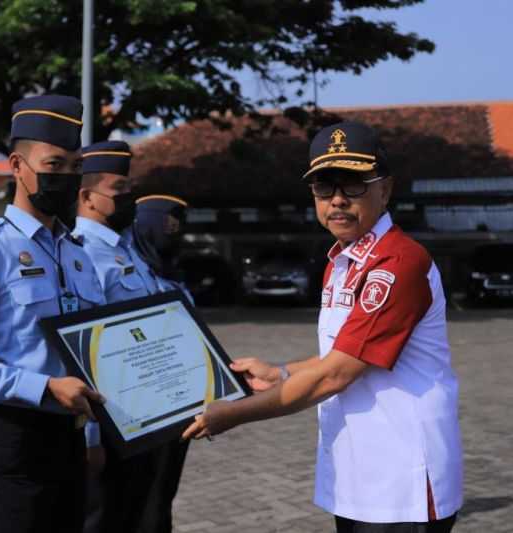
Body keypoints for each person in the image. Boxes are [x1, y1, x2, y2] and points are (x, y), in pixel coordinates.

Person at [183, 121, 463, 533]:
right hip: (359, 471)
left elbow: (336, 374)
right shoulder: (343, 260)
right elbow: (341, 355)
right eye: (323, 188)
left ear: (384, 190)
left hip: (399, 478)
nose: (337, 201)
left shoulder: (397, 262)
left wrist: (233, 414)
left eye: (353, 185)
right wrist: (280, 372)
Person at [0, 95, 105, 533]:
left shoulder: (78, 255)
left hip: (72, 438)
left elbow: (95, 352)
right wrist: (43, 387)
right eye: (54, 165)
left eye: (75, 167)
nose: (67, 177)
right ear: (17, 165)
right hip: (13, 438)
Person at [73, 141, 161, 533]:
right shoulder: (82, 253)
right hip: (111, 420)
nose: (130, 198)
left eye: (130, 188)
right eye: (119, 190)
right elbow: (85, 351)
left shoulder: (126, 248)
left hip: (148, 411)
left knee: (140, 515)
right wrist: (91, 435)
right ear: (87, 197)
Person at [128, 195, 194, 533]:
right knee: (142, 507)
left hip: (179, 405)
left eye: (178, 226)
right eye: (167, 225)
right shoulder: (124, 270)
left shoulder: (172, 272)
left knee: (162, 498)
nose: (175, 232)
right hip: (139, 412)